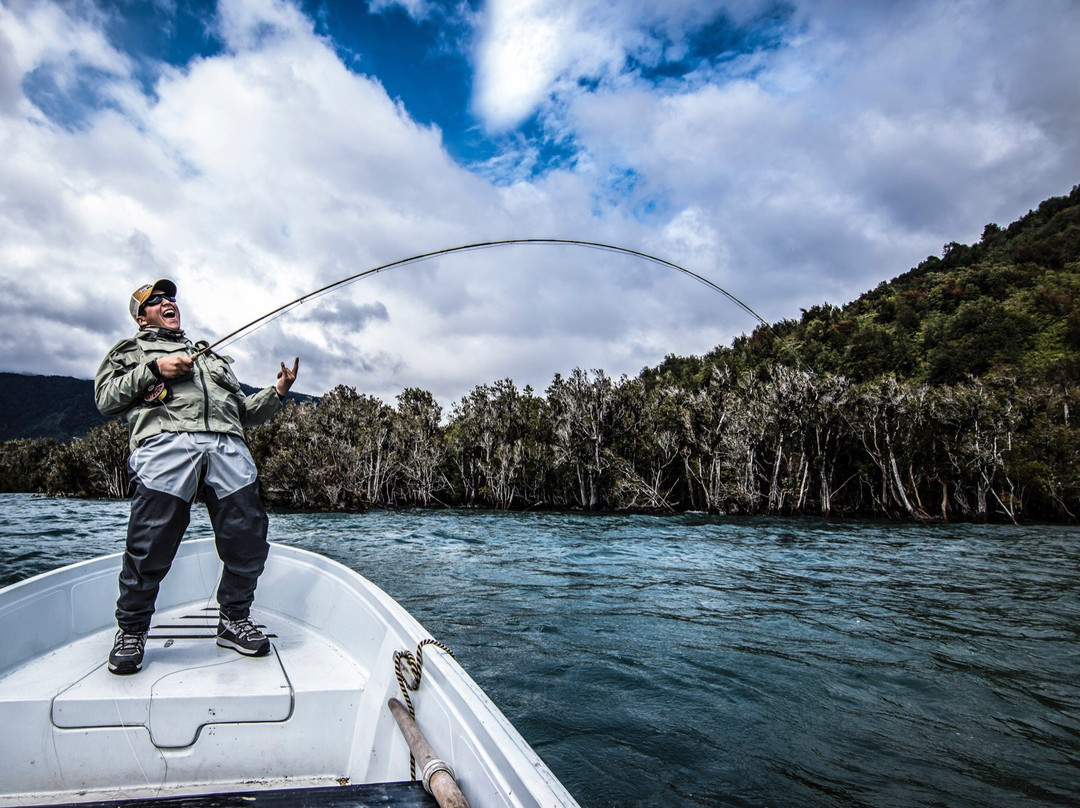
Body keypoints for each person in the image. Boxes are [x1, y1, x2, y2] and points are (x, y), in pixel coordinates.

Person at [95, 279, 299, 675]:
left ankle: (233, 620)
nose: (168, 302)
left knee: (249, 538)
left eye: (170, 297)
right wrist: (155, 368)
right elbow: (106, 399)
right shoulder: (131, 350)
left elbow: (243, 411)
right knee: (150, 545)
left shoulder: (209, 356)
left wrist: (277, 391)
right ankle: (133, 631)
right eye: (156, 300)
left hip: (228, 446)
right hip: (166, 444)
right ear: (142, 316)